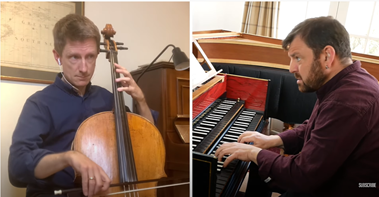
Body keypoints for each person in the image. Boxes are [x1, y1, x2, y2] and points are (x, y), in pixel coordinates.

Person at [215, 16, 379, 197]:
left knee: (259, 161)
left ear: (327, 56)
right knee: (260, 164)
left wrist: (255, 153)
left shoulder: (346, 101)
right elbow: (315, 126)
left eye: (298, 58)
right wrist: (273, 140)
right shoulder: (347, 81)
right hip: (329, 175)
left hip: (351, 188)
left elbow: (303, 175)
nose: (291, 68)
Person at [8, 14, 154, 197]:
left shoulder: (108, 99)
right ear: (57, 56)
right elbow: (17, 168)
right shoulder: (39, 104)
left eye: (90, 57)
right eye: (74, 57)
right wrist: (68, 157)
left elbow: (147, 141)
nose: (84, 68)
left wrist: (141, 100)